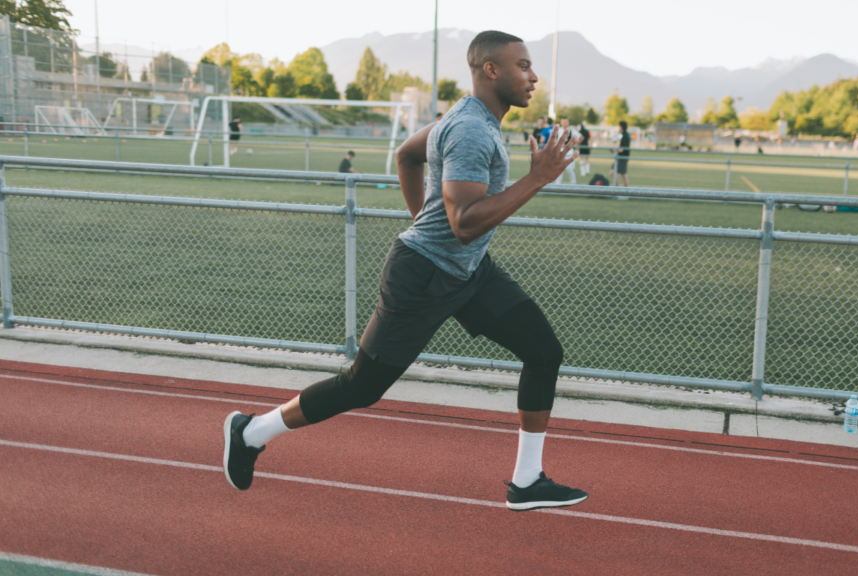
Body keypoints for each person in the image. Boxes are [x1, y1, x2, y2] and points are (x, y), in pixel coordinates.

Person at [222, 30, 588, 512]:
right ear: (490, 70)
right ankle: (251, 432)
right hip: (423, 277)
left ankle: (527, 480)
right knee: (361, 387)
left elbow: (406, 155)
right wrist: (537, 178)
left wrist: (422, 219)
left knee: (543, 352)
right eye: (523, 66)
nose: (534, 76)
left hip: (470, 272)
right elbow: (463, 223)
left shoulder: (465, 119)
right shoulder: (472, 130)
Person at [554, 117, 579, 185]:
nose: (565, 123)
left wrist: (573, 145)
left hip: (569, 153)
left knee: (569, 169)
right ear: (561, 123)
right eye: (563, 122)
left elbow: (577, 141)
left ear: (568, 123)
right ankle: (557, 184)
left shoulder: (572, 131)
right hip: (560, 152)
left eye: (566, 122)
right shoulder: (559, 131)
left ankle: (573, 182)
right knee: (559, 169)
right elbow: (556, 140)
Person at [612, 120, 630, 187]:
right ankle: (617, 189)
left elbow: (623, 149)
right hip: (619, 157)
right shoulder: (620, 135)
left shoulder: (626, 136)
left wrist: (615, 150)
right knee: (612, 172)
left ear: (621, 127)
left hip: (623, 157)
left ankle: (626, 192)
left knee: (623, 174)